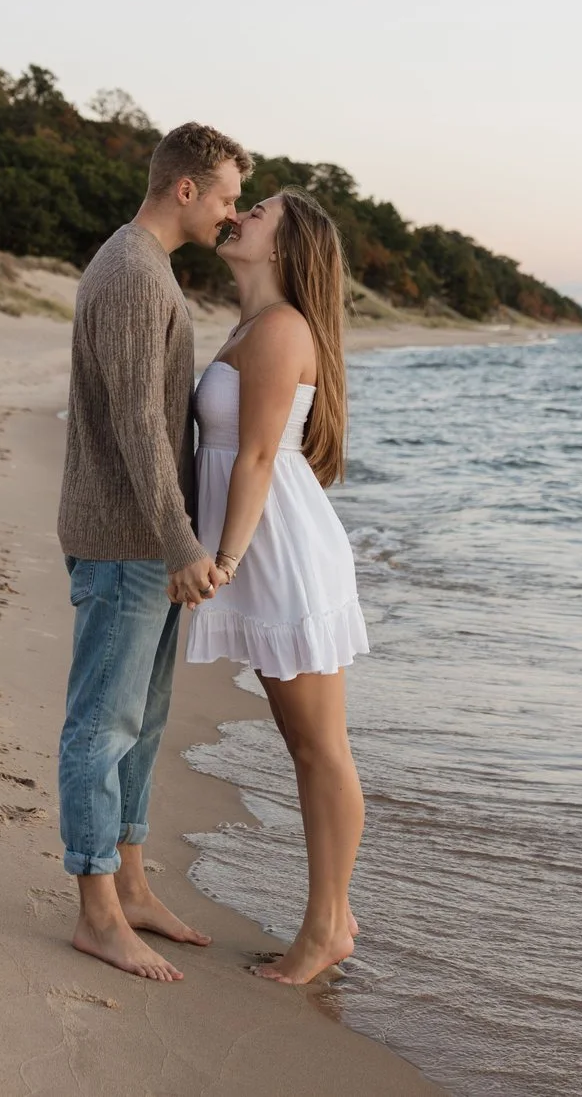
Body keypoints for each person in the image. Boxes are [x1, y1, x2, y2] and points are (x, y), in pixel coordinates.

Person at [56, 120, 252, 983]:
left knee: (142, 723)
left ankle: (130, 885)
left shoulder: (145, 267)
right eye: (226, 197)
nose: (231, 214)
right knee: (102, 726)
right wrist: (180, 541)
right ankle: (97, 912)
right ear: (185, 188)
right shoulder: (133, 272)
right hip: (128, 539)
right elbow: (140, 423)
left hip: (141, 538)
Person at [182, 188, 369, 985]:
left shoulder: (283, 327)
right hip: (261, 545)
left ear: (286, 246)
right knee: (306, 744)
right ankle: (335, 916)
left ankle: (326, 926)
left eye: (257, 210)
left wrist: (219, 559)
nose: (240, 214)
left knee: (319, 747)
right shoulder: (251, 326)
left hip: (280, 550)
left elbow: (257, 457)